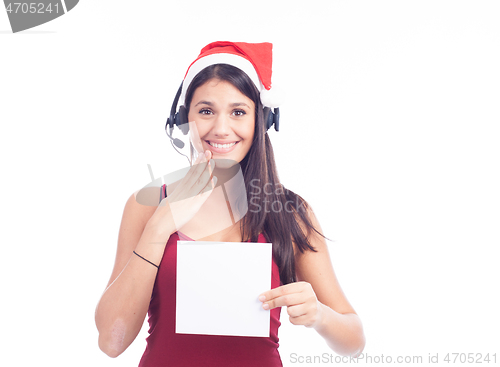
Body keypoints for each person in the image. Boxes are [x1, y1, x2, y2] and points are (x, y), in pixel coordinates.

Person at [95, 41, 365, 366]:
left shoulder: (291, 212)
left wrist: (319, 315)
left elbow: (354, 342)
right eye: (206, 111)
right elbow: (112, 342)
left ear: (261, 120)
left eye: (238, 112)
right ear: (185, 118)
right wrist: (160, 226)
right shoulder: (147, 204)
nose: (222, 129)